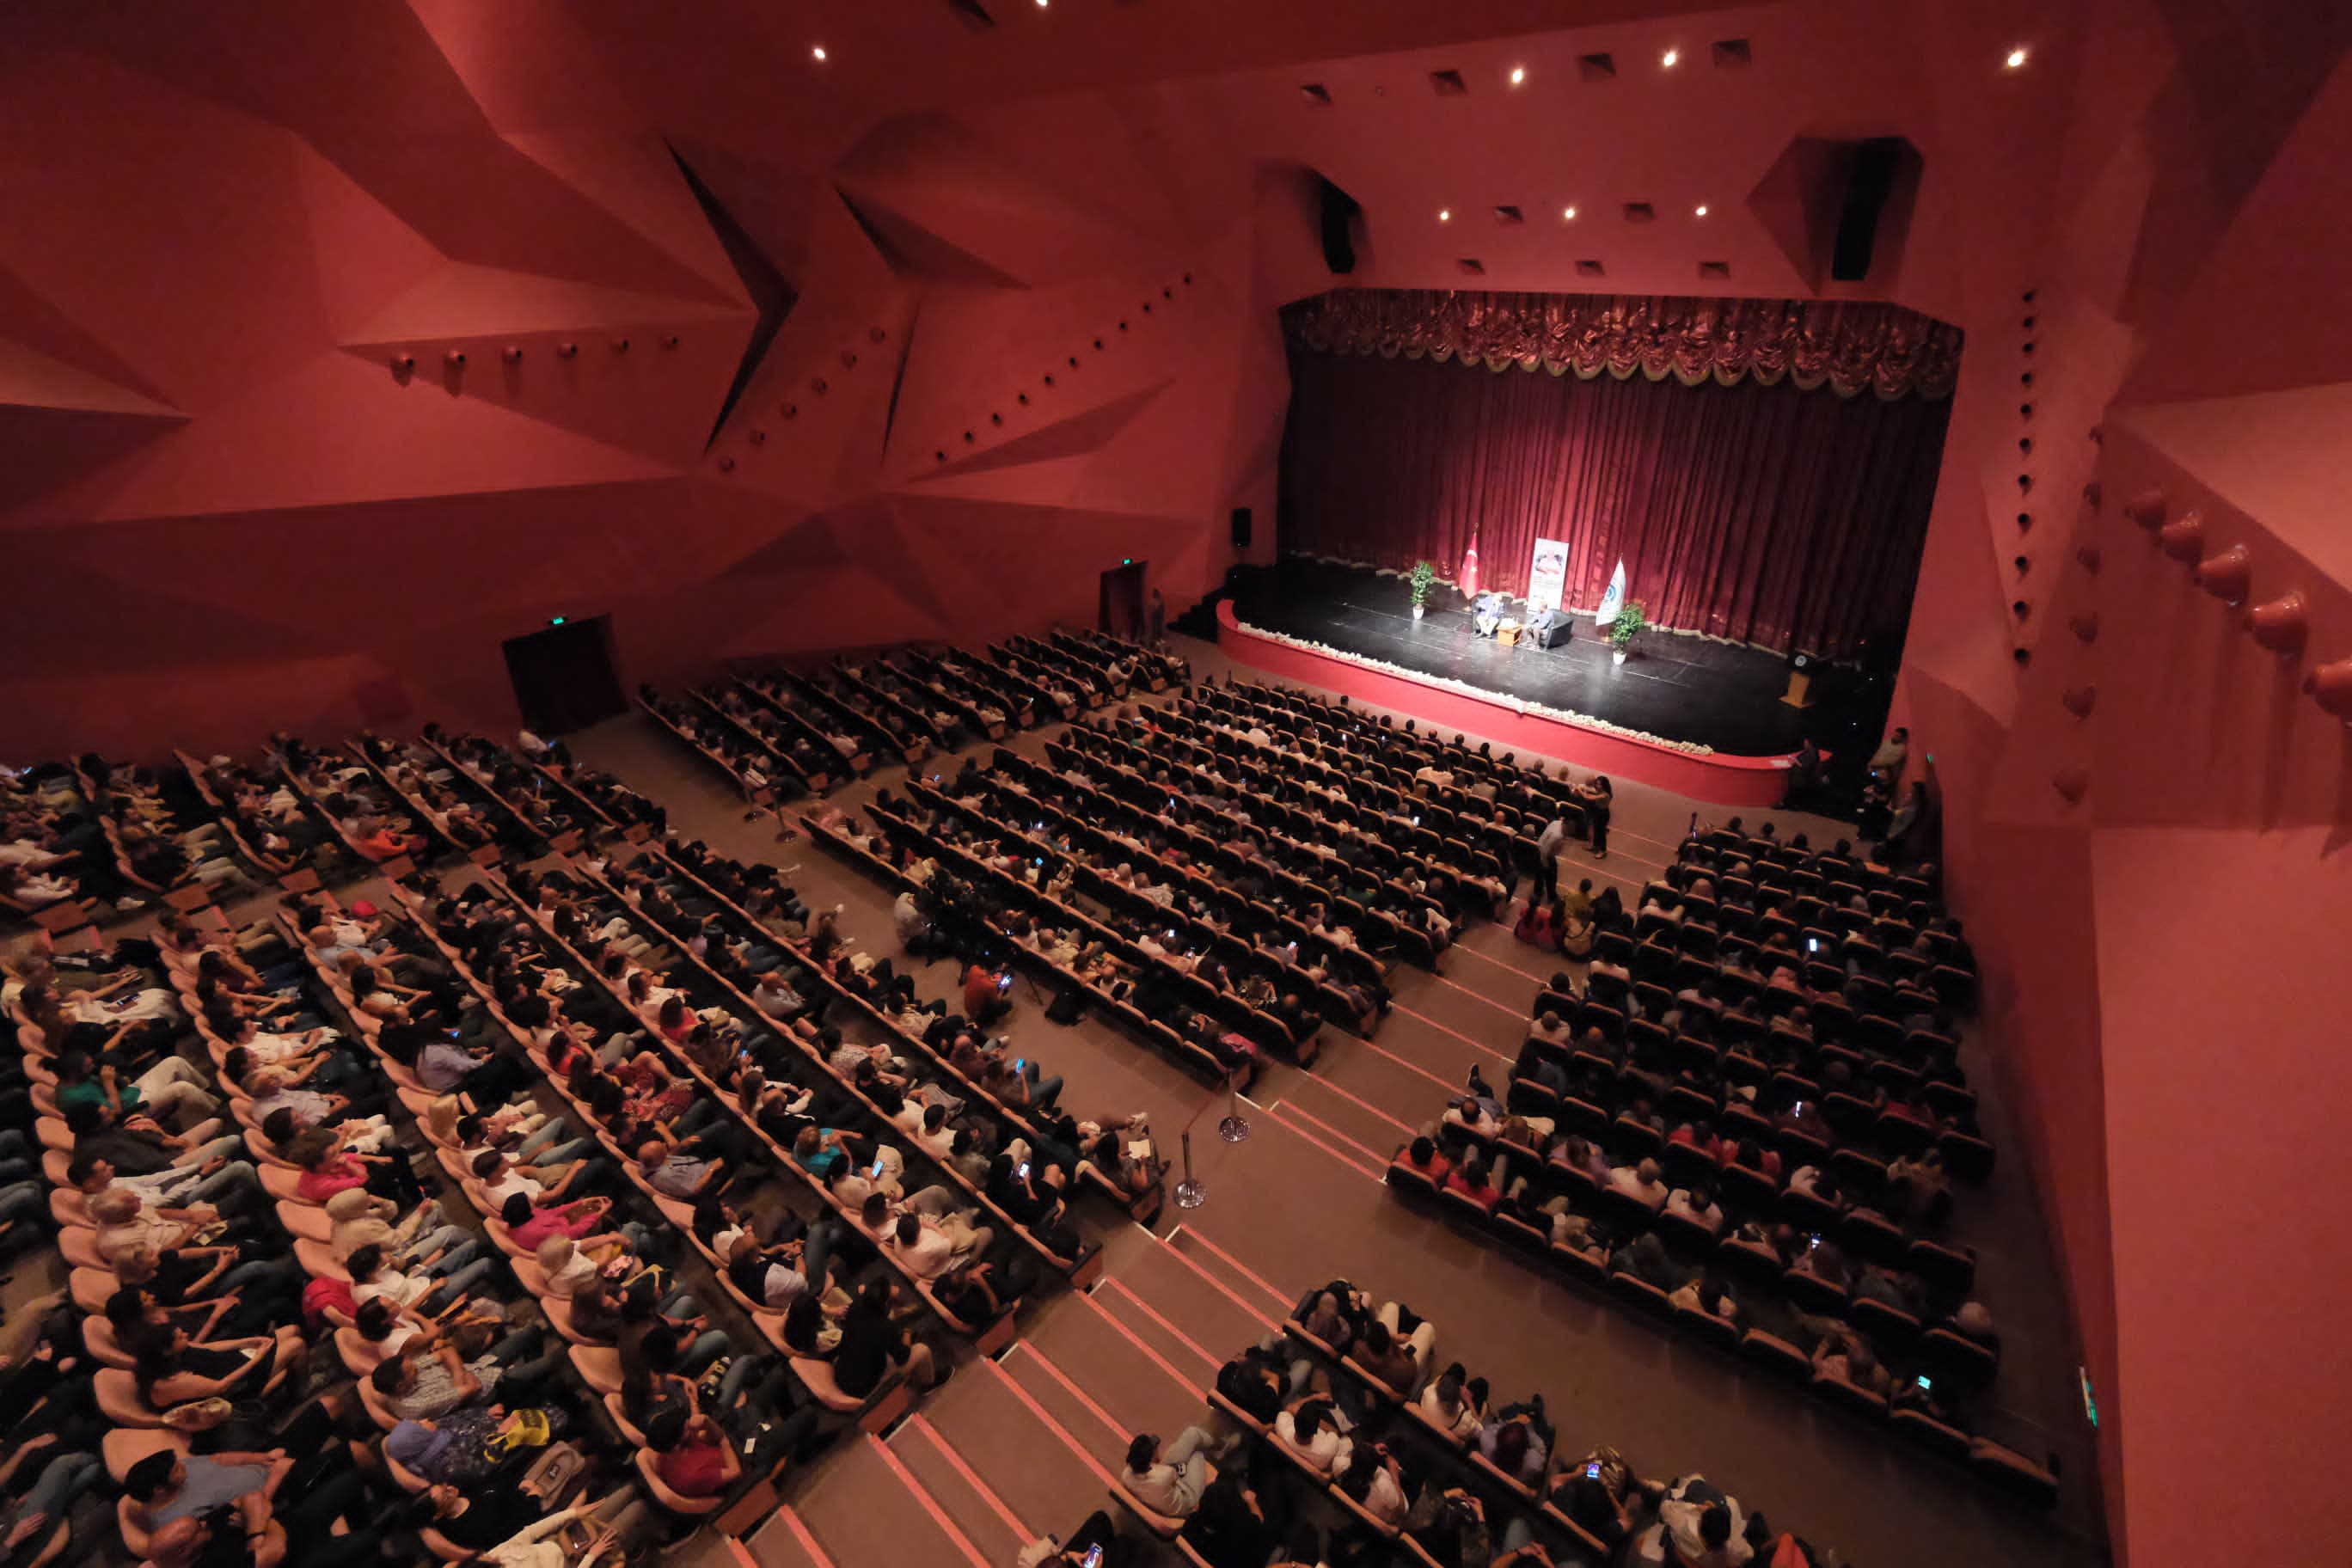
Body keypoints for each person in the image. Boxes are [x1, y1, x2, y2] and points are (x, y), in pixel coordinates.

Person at [1121, 1428, 1216, 1517]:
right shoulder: (1166, 1473)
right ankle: (1216, 1446)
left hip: (1164, 1490)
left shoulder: (1126, 1475)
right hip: (1187, 1498)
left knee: (1190, 1436)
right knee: (1197, 1452)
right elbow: (1177, 1477)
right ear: (1151, 1458)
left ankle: (1215, 1444)